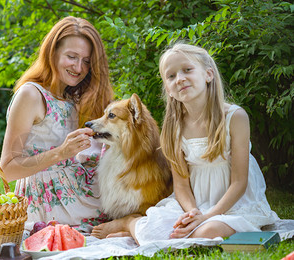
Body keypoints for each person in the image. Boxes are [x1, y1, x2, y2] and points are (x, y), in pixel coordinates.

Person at [92, 43, 279, 242]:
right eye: (171, 76)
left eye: (187, 70)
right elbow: (181, 186)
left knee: (208, 231)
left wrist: (207, 217)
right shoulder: (174, 128)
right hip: (193, 203)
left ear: (208, 74)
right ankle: (129, 223)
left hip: (233, 202)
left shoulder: (235, 117)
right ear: (168, 89)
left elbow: (239, 183)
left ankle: (132, 227)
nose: (180, 79)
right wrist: (193, 214)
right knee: (162, 227)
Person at [0, 16, 114, 232]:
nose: (79, 67)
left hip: (79, 189)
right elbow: (7, 168)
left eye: (87, 61)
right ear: (52, 53)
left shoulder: (73, 96)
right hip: (47, 201)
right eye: (72, 57)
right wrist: (60, 153)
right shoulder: (31, 95)